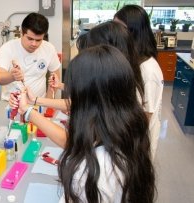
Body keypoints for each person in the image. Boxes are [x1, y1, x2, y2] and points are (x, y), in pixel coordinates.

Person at [11, 45, 155, 202]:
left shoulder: (91, 173)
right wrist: (30, 107)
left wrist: (28, 110)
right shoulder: (128, 130)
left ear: (87, 100)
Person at [25, 21, 145, 113]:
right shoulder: (119, 76)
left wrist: (32, 109)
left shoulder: (123, 86)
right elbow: (87, 98)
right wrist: (60, 86)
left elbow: (82, 102)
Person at [114, 4, 164, 159]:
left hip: (135, 146)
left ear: (132, 31)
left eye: (118, 27)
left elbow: (145, 116)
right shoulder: (132, 61)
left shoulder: (148, 69)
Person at [0, 12, 61, 101]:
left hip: (39, 103)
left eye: (38, 40)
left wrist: (47, 103)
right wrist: (12, 76)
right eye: (30, 39)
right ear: (22, 32)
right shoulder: (8, 48)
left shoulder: (49, 48)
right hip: (12, 104)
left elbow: (55, 80)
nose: (34, 44)